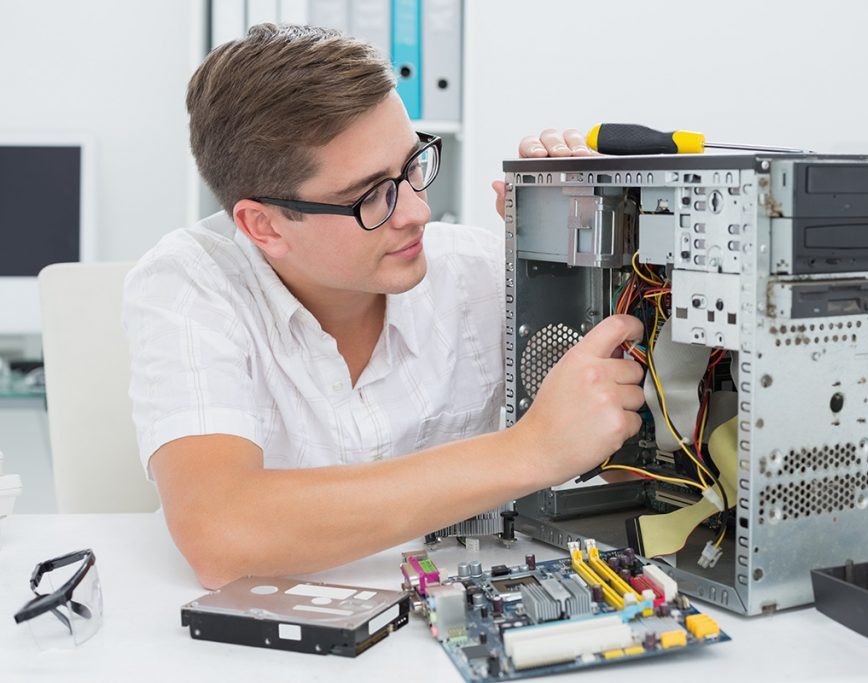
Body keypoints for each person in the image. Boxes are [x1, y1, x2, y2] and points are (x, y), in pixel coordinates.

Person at [123, 24, 644, 589]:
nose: (417, 212)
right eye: (371, 195)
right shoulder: (189, 283)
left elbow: (638, 391)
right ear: (263, 224)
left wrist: (575, 264)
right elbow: (223, 534)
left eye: (413, 165)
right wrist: (530, 450)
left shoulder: (478, 272)